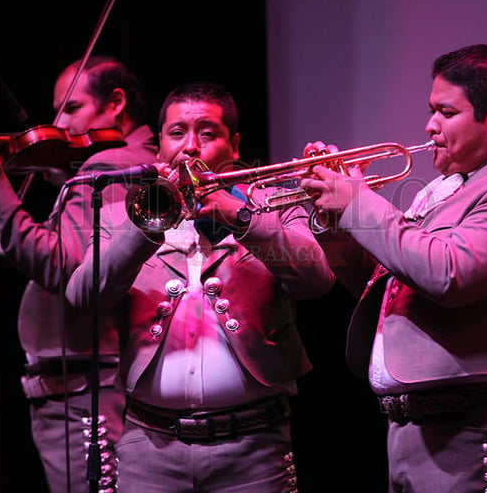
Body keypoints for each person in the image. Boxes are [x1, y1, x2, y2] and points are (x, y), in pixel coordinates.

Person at [298, 44, 487, 493]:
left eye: (445, 112)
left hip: (474, 430)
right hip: (417, 430)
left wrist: (359, 203)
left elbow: (447, 275)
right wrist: (334, 218)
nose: (429, 126)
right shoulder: (449, 190)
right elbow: (386, 283)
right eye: (431, 111)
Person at [64, 80, 336, 493]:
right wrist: (148, 225)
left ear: (235, 145)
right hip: (148, 448)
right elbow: (83, 297)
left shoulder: (272, 204)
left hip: (253, 447)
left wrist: (243, 218)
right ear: (159, 148)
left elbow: (316, 279)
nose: (190, 147)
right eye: (177, 134)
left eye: (207, 133)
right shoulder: (121, 218)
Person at [0, 55, 158, 493]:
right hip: (88, 383)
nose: (60, 125)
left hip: (84, 392)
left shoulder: (110, 165)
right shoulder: (122, 165)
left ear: (116, 103)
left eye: (71, 108)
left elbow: (61, 267)